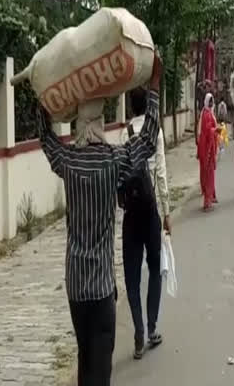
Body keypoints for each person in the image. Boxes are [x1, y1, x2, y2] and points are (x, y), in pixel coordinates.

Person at [37, 54, 163, 386]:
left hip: (76, 286)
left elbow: (46, 139)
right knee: (101, 370)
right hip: (102, 287)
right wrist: (154, 84)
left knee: (84, 360)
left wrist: (44, 103)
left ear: (78, 122)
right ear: (102, 123)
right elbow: (149, 138)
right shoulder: (113, 160)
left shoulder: (67, 161)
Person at [119, 87, 172, 360]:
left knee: (130, 276)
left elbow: (119, 175)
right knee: (154, 268)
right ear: (147, 106)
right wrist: (167, 213)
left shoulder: (123, 134)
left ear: (130, 108)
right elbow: (161, 174)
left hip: (131, 215)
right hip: (150, 211)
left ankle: (138, 331)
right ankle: (151, 328)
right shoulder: (156, 133)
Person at [198, 93, 219, 211]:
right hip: (207, 149)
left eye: (212, 101)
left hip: (209, 147)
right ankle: (207, 201)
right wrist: (216, 129)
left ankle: (211, 196)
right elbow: (207, 131)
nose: (211, 103)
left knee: (209, 174)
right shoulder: (206, 114)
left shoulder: (209, 113)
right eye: (209, 101)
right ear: (206, 102)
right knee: (208, 174)